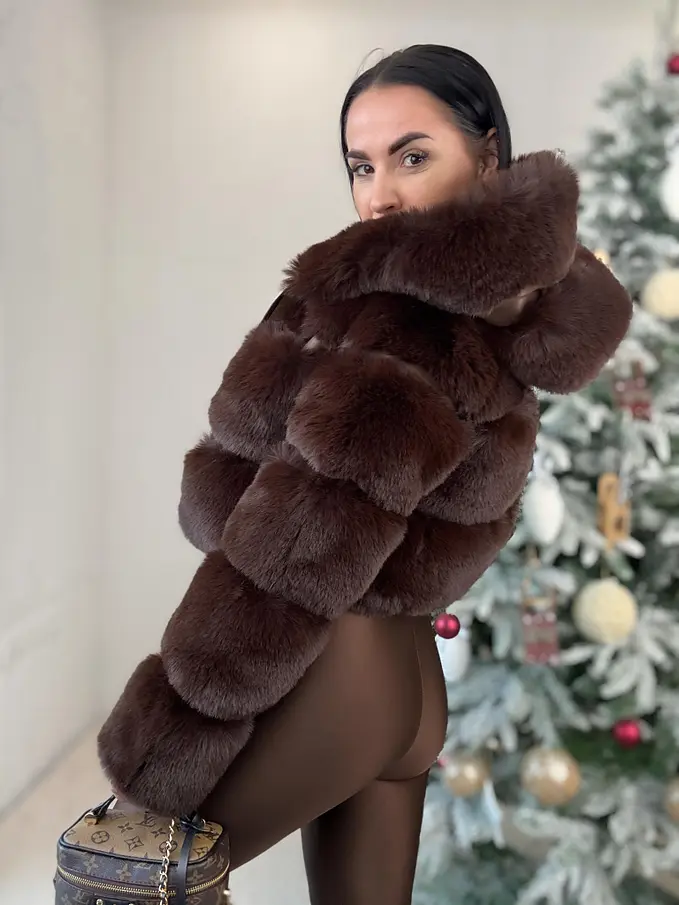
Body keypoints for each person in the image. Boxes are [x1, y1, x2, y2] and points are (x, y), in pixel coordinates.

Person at [97, 45, 632, 904]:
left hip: (345, 677)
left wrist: (162, 751)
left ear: (485, 156)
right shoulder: (499, 306)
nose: (379, 193)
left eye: (411, 157)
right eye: (361, 165)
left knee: (124, 880)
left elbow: (297, 552)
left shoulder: (405, 320)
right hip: (406, 678)